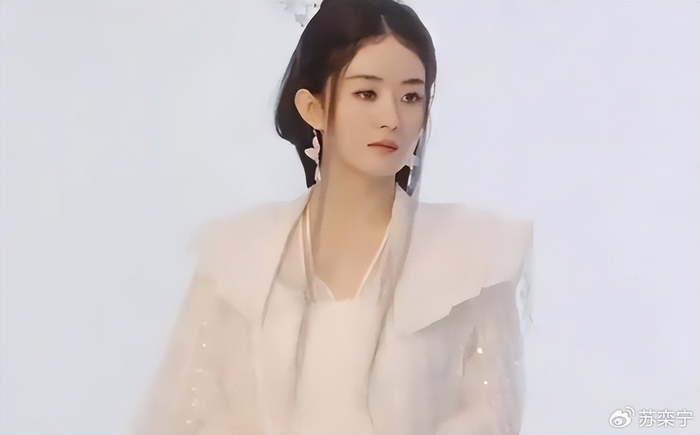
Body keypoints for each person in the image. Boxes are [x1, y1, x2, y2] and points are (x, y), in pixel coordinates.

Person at [129, 0, 534, 434]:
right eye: (367, 93)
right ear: (313, 107)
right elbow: (184, 416)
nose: (391, 118)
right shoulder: (236, 260)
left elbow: (493, 416)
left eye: (410, 96)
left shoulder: (471, 260)